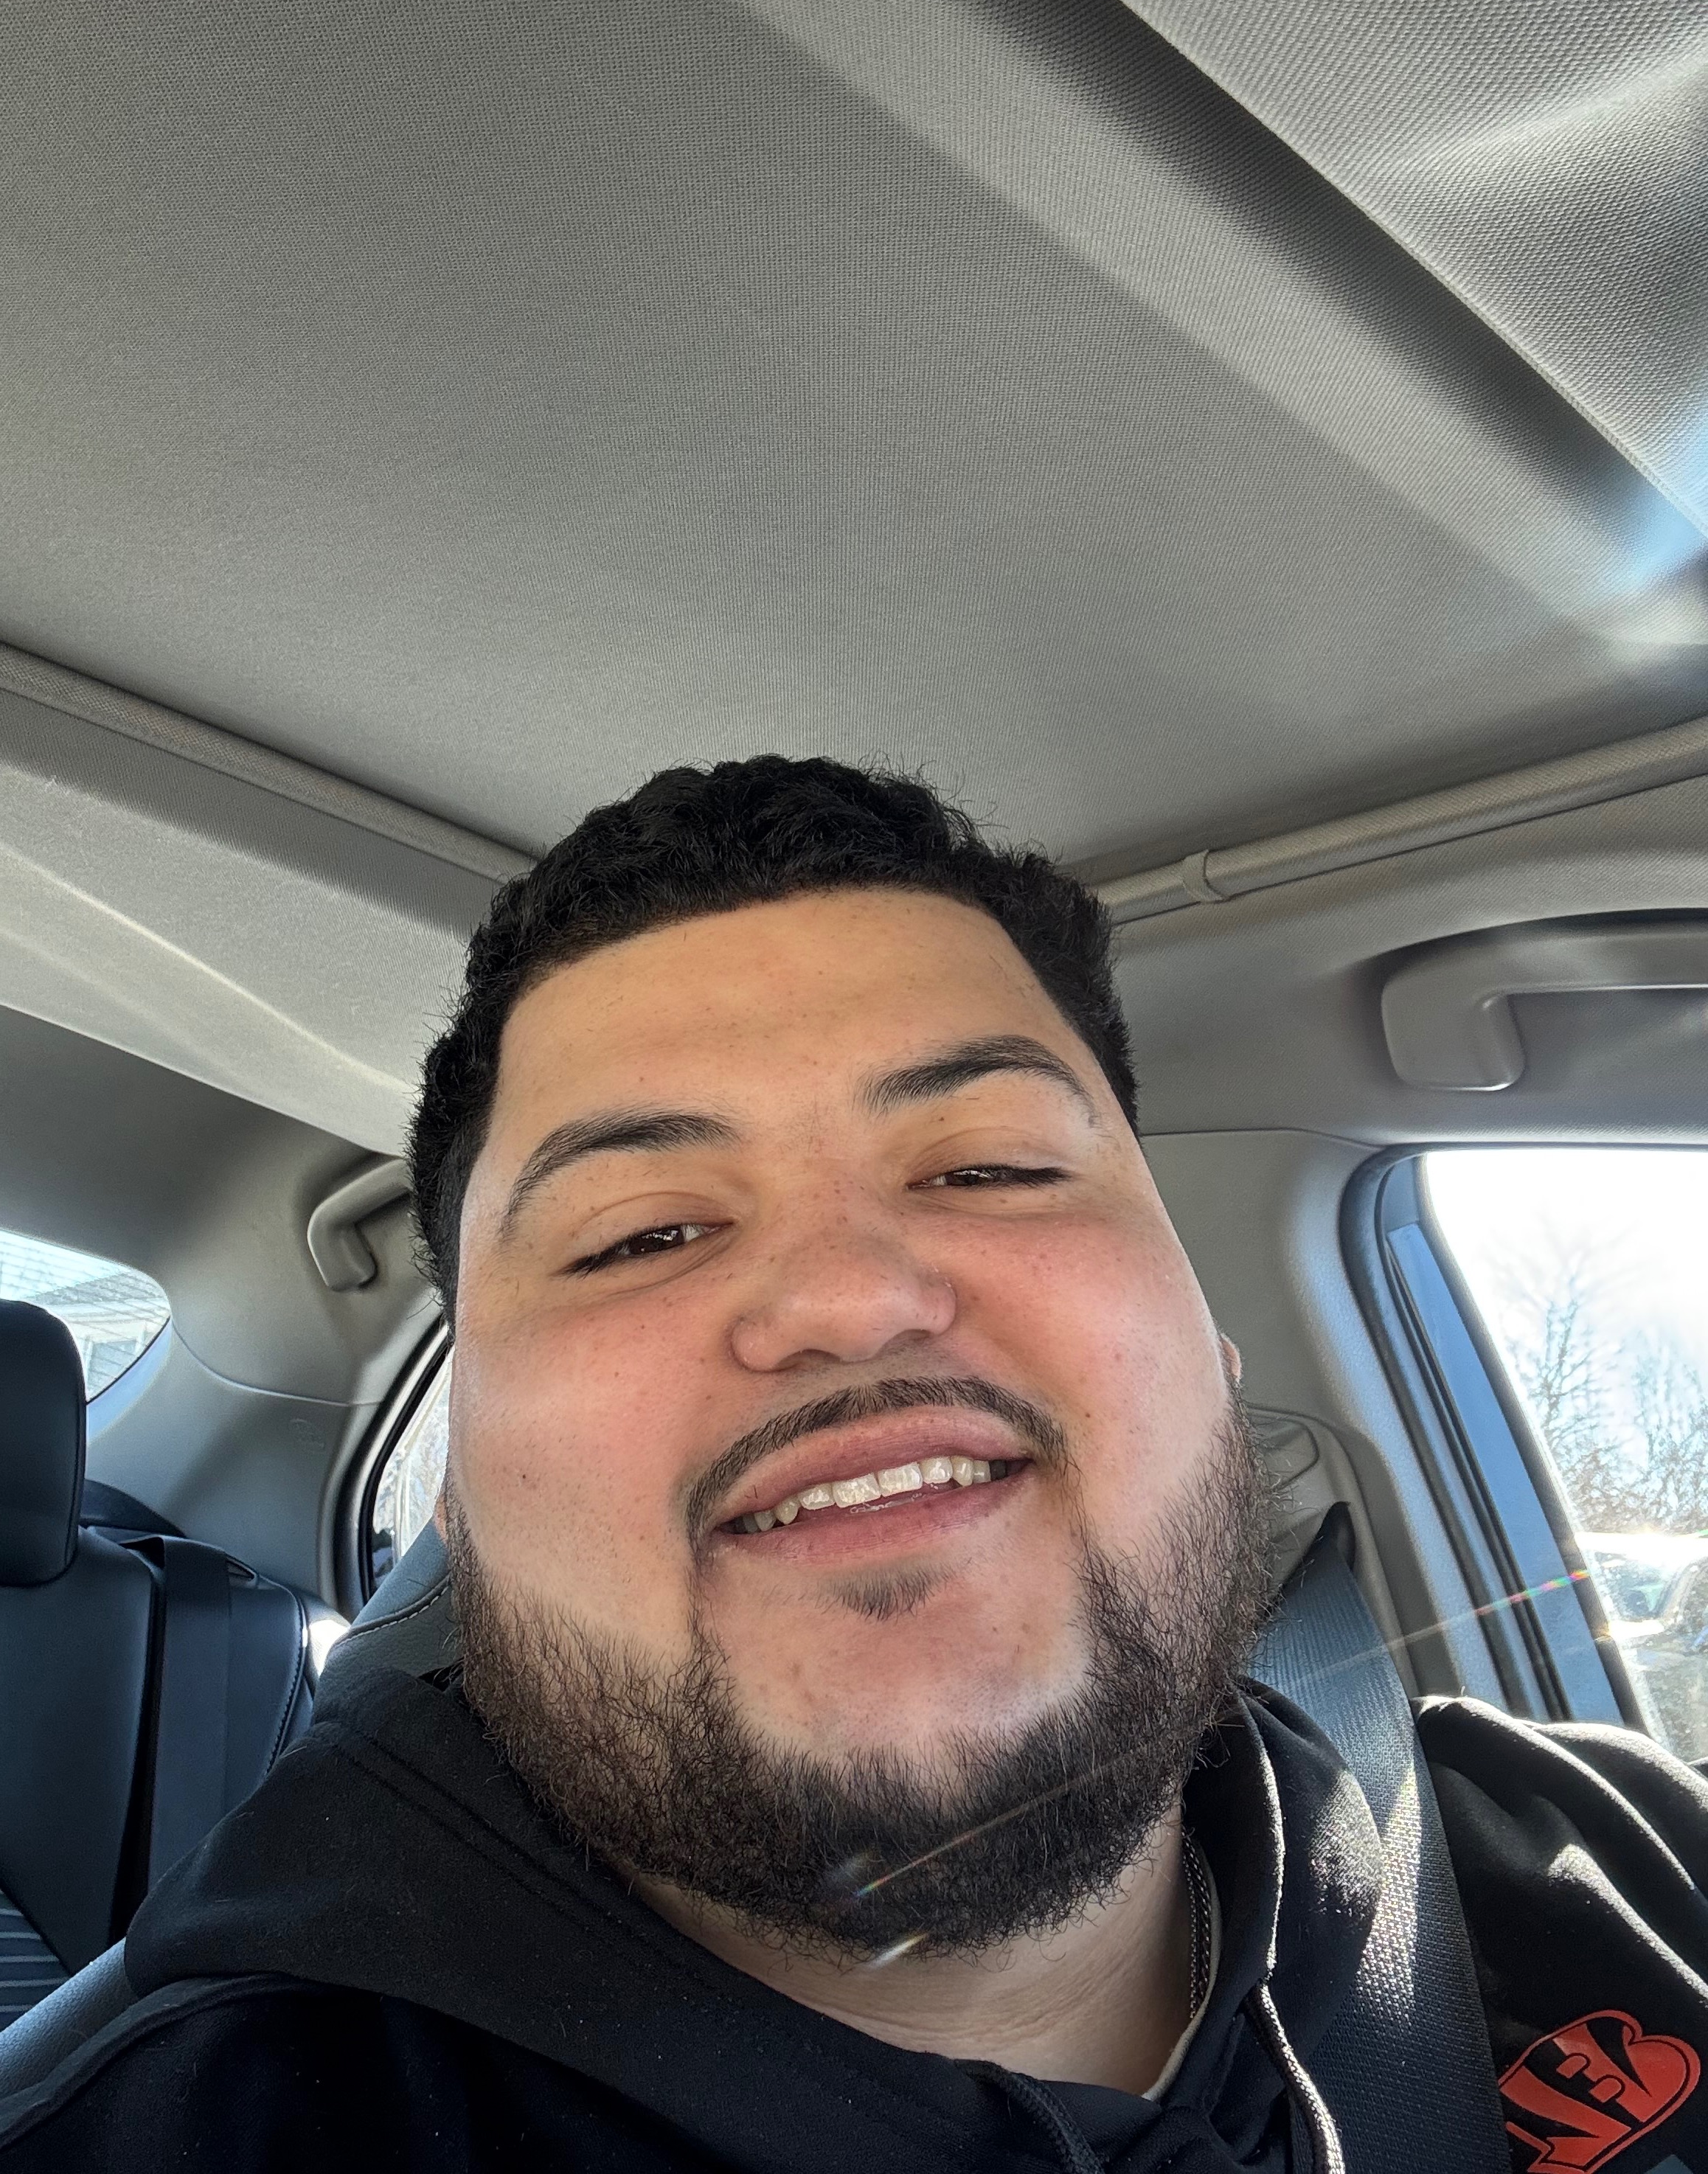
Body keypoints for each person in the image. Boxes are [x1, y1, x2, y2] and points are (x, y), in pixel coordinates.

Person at [4, 755, 1707, 2173]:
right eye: (641, 1231)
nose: (848, 1296)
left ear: (1215, 1351)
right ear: (456, 1495)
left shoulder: (1616, 1863)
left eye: (988, 1165)